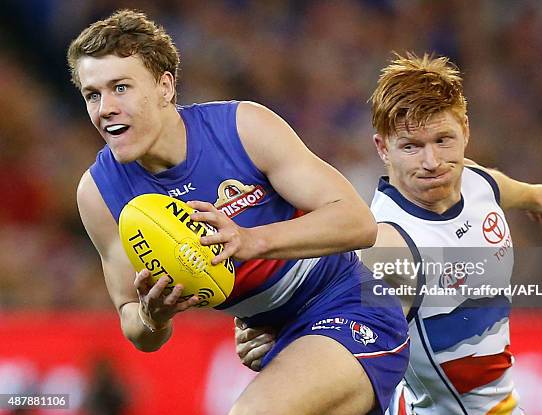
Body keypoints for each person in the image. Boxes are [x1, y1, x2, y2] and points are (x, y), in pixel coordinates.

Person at [69, 9, 410, 415]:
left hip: (349, 305)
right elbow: (135, 324)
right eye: (93, 94)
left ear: (164, 87)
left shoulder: (242, 127)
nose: (105, 107)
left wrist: (252, 240)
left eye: (120, 87)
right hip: (274, 338)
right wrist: (154, 318)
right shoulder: (99, 193)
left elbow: (357, 222)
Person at [235, 52, 542, 415]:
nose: (432, 163)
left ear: (465, 131)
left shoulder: (474, 180)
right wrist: (279, 338)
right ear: (382, 147)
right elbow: (336, 317)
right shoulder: (387, 244)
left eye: (443, 140)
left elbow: (503, 187)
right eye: (411, 146)